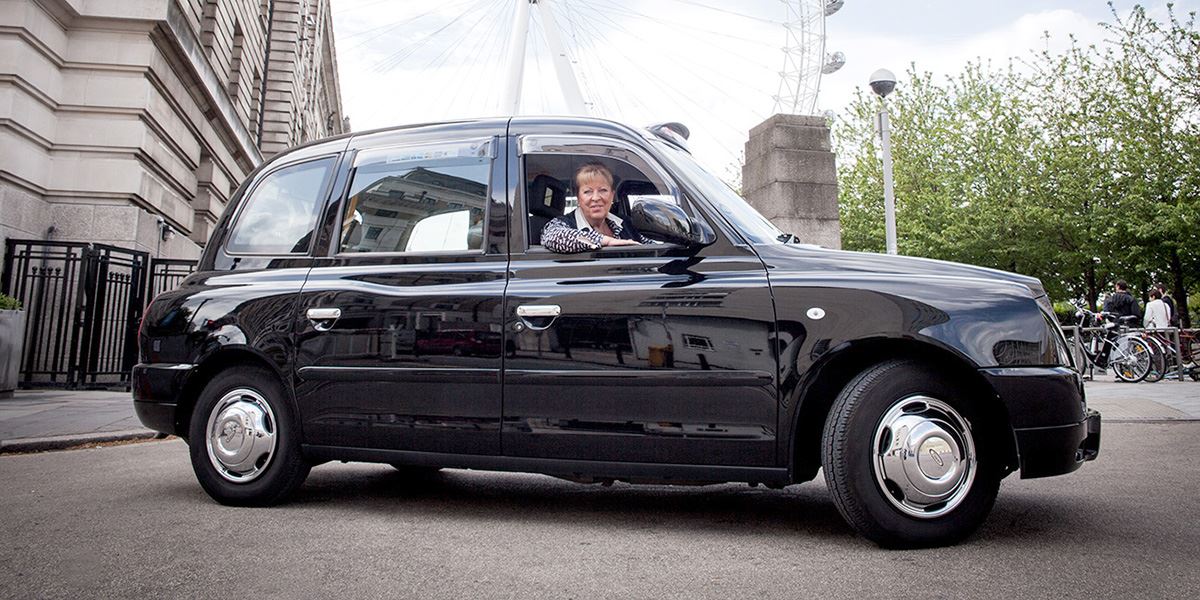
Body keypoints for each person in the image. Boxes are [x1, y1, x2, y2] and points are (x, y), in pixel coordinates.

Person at [541, 162, 655, 253]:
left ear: (612, 195)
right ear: (578, 197)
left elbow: (652, 248)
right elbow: (553, 237)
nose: (596, 198)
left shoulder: (626, 223)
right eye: (587, 192)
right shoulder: (562, 223)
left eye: (603, 190)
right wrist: (605, 241)